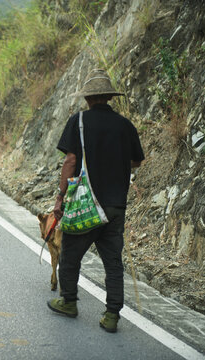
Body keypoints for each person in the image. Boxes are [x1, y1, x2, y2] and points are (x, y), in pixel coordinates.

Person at [47, 69, 145, 333]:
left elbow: (70, 161)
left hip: (86, 205)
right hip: (115, 207)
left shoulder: (78, 122)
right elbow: (136, 160)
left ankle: (68, 302)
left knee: (70, 255)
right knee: (113, 263)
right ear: (109, 97)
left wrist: (60, 197)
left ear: (89, 98)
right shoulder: (125, 126)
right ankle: (112, 316)